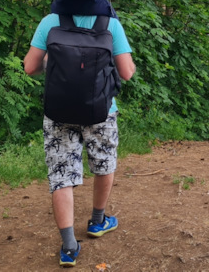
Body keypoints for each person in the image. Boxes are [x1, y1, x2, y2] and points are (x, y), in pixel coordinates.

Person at [23, 14, 136, 268]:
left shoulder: (50, 21)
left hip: (58, 110)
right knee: (104, 162)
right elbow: (127, 72)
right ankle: (97, 221)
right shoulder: (110, 24)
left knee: (61, 175)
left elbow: (30, 67)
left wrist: (51, 65)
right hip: (102, 109)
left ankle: (69, 246)